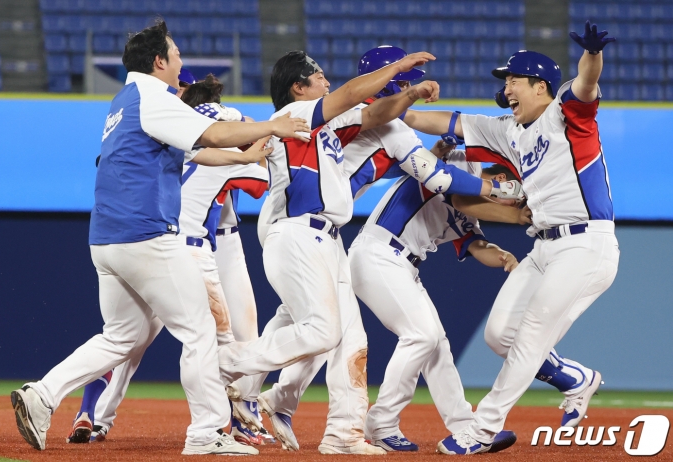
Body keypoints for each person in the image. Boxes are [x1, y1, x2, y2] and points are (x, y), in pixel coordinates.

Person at [11, 20, 308, 455]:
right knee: (200, 330)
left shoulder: (125, 100)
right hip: (145, 235)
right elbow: (213, 132)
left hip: (107, 239)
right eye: (177, 54)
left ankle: (43, 395)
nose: (182, 61)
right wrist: (272, 127)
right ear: (159, 62)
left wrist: (243, 156)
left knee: (121, 337)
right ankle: (207, 434)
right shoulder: (154, 96)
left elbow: (200, 150)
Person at [230, 45, 526, 453]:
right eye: (399, 83)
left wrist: (410, 104)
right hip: (300, 224)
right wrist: (498, 189)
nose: (327, 81)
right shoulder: (340, 113)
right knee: (325, 328)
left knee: (331, 331)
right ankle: (242, 379)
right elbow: (436, 178)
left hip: (319, 228)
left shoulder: (347, 116)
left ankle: (301, 412)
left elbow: (374, 116)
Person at [401, 20, 619, 455]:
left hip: (585, 243)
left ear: (541, 86)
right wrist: (397, 105)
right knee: (500, 334)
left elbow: (587, 84)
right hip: (545, 246)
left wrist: (593, 54)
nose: (507, 87)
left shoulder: (565, 112)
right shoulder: (509, 130)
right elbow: (442, 120)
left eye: (514, 79)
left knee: (532, 334)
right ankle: (576, 378)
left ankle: (481, 430)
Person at [67, 73, 275, 446]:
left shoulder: (162, 126)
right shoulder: (217, 119)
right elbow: (258, 183)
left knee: (129, 339)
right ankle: (227, 422)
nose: (176, 90)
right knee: (217, 338)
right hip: (183, 243)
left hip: (157, 235)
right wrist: (261, 136)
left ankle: (93, 412)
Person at [349, 154, 525, 453]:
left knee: (437, 346)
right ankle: (381, 423)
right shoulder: (465, 169)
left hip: (402, 264)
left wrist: (502, 255)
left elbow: (477, 245)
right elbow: (460, 197)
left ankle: (463, 424)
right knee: (422, 336)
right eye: (515, 198)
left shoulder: (472, 210)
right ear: (501, 182)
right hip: (378, 253)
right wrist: (518, 216)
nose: (514, 205)